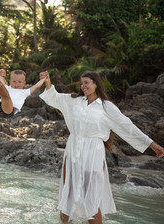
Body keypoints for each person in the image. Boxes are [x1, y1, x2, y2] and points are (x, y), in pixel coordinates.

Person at [39, 71, 164, 223]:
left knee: (91, 197)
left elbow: (127, 127)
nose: (83, 86)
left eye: (87, 82)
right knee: (68, 194)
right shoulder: (74, 101)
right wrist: (47, 82)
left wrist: (152, 144)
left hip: (93, 152)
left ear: (96, 83)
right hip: (73, 149)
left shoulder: (106, 107)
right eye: (82, 83)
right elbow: (55, 97)